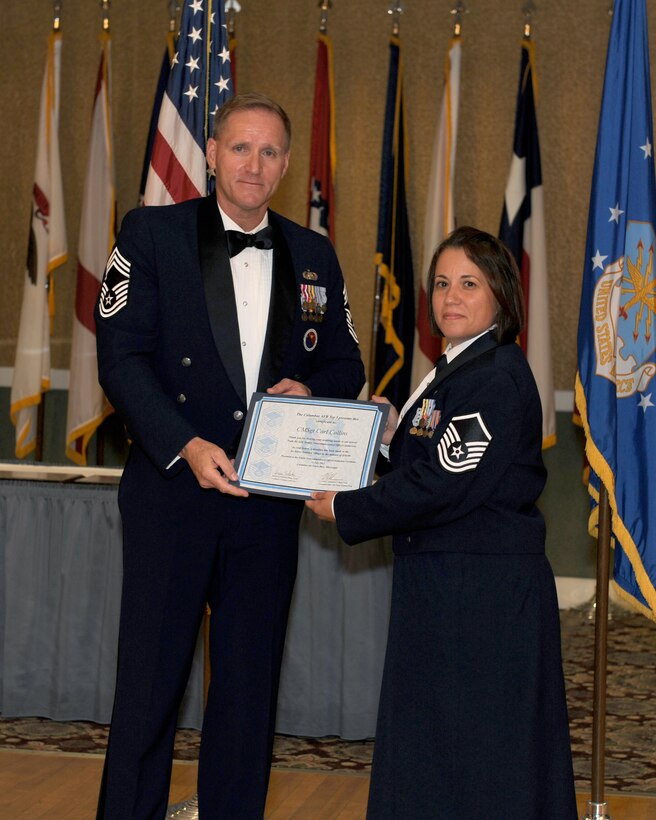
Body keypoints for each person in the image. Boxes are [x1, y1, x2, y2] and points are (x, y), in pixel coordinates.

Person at [94, 91, 365, 819]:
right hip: (173, 492)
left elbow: (347, 364)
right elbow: (121, 359)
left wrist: (310, 388)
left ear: (284, 165)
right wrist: (183, 443)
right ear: (211, 154)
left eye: (270, 151)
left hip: (266, 505)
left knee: (247, 691)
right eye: (240, 147)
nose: (254, 163)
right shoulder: (150, 235)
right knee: (149, 686)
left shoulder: (313, 254)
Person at [307, 226, 577, 819]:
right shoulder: (457, 367)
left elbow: (441, 484)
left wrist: (347, 507)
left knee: (480, 753)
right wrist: (384, 436)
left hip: (480, 597)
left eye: (469, 284)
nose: (450, 296)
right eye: (442, 284)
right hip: (447, 587)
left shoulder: (495, 376)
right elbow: (429, 461)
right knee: (440, 745)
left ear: (501, 297)